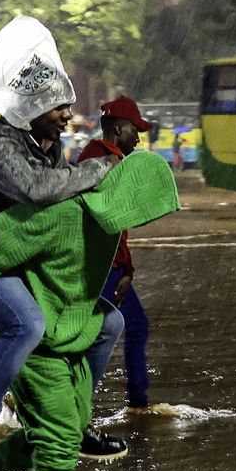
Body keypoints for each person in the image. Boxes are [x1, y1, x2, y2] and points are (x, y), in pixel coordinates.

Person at [0, 146, 180, 471]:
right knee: (57, 441)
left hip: (70, 331)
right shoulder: (62, 214)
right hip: (38, 339)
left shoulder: (107, 226)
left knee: (64, 432)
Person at [0, 15, 122, 471]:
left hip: (15, 268)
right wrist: (97, 169)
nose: (66, 114)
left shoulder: (48, 149)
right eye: (58, 105)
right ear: (29, 106)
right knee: (30, 324)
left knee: (109, 322)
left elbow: (61, 202)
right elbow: (37, 191)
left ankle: (74, 425)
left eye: (66, 105)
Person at [78, 96, 155, 412]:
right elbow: (111, 225)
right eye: (135, 129)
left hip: (105, 265)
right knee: (130, 327)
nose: (138, 137)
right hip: (104, 266)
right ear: (118, 128)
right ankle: (135, 403)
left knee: (88, 333)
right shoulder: (107, 162)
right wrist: (125, 271)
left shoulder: (91, 156)